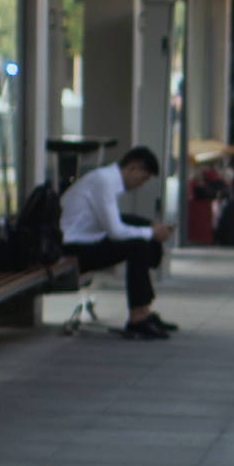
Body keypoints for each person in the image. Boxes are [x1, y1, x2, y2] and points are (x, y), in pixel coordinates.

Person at [60, 144, 177, 340]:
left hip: (87, 240)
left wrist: (151, 227)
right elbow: (115, 232)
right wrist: (151, 233)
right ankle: (138, 318)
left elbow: (117, 224)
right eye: (144, 178)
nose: (142, 184)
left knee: (141, 225)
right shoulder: (103, 182)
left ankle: (144, 311)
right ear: (132, 167)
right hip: (73, 247)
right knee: (138, 245)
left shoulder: (106, 179)